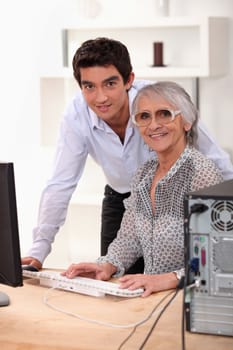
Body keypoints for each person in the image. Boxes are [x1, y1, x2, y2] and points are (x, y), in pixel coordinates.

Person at [22, 37, 233, 273]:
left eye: (110, 84)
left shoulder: (160, 101)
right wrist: (38, 251)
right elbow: (60, 184)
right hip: (126, 196)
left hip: (178, 192)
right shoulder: (76, 116)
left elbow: (217, 162)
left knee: (182, 268)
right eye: (89, 86)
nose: (100, 97)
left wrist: (227, 213)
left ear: (129, 80)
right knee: (112, 278)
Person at [61, 81, 223, 297]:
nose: (153, 125)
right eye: (144, 116)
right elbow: (130, 238)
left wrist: (167, 279)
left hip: (195, 300)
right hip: (153, 299)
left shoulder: (202, 174)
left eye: (164, 114)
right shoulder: (143, 175)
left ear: (186, 121)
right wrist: (106, 264)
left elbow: (218, 257)